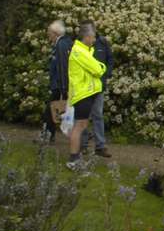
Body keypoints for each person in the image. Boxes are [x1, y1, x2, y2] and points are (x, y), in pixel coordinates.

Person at [65, 22, 106, 169]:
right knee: (79, 126)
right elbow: (98, 69)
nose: (94, 40)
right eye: (93, 37)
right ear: (87, 37)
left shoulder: (85, 50)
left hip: (87, 93)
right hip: (82, 94)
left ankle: (75, 157)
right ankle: (73, 159)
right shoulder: (79, 51)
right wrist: (101, 66)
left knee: (82, 124)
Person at [78, 27, 113, 158]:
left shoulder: (103, 43)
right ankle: (83, 145)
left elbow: (110, 59)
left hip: (98, 87)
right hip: (85, 88)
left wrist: (106, 74)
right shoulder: (81, 48)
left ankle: (100, 146)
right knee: (84, 117)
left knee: (97, 115)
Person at [42, 20, 73, 144]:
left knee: (50, 111)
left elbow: (62, 66)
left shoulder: (61, 45)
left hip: (59, 85)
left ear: (54, 33)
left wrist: (63, 88)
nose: (48, 36)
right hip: (60, 84)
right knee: (52, 111)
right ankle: (48, 135)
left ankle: (48, 136)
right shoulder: (64, 42)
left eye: (49, 33)